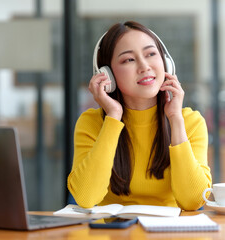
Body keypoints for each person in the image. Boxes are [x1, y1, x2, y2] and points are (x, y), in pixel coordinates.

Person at [67, 21, 212, 210]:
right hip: (112, 233)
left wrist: (175, 118)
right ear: (107, 75)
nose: (144, 66)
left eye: (151, 54)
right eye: (128, 59)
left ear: (166, 63)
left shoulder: (190, 122)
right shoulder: (92, 122)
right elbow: (86, 198)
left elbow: (193, 201)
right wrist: (113, 116)